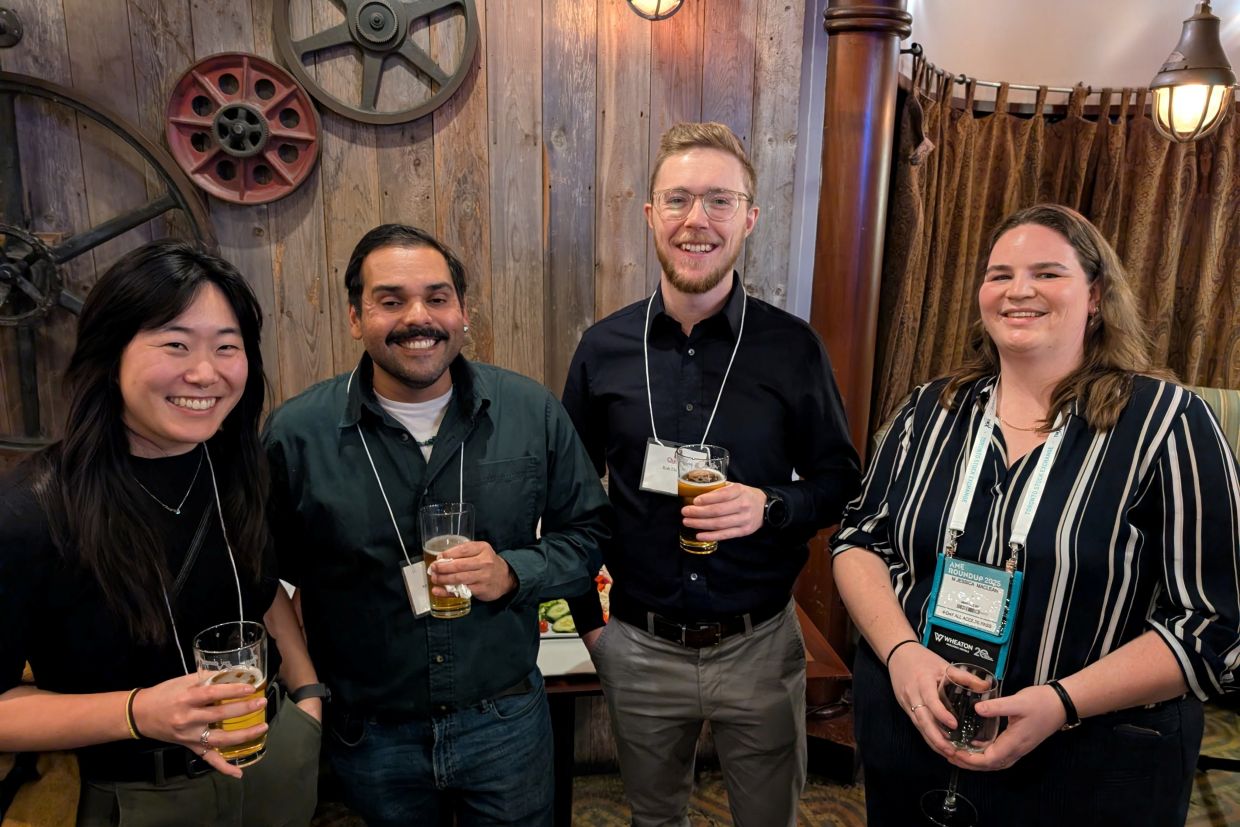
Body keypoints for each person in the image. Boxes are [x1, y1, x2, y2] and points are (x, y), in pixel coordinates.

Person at [831, 203, 1240, 825]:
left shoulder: (1167, 423)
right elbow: (860, 539)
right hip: (916, 734)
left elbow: (1211, 623)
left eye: (1047, 273)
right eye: (1000, 274)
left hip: (1087, 762)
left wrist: (1062, 703)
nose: (1018, 290)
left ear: (1096, 295)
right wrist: (901, 653)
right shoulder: (931, 410)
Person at [562, 122, 861, 827]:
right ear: (650, 215)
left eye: (720, 201)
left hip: (759, 644)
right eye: (679, 199)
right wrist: (589, 626)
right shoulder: (603, 348)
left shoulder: (792, 346)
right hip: (637, 643)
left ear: (750, 217)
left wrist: (773, 505)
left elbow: (840, 478)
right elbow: (567, 496)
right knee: (654, 819)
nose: (698, 220)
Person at [263, 223, 609, 826]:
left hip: (505, 721)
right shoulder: (297, 434)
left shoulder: (529, 411)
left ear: (462, 311)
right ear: (354, 317)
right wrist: (306, 691)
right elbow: (265, 576)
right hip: (370, 731)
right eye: (390, 300)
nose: (418, 317)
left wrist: (512, 572)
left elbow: (588, 536)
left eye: (437, 297)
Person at [0, 240, 322, 826]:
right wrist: (137, 711)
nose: (206, 372)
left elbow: (262, 579)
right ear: (109, 354)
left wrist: (307, 697)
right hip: (135, 796)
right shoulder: (31, 512)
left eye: (228, 347)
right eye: (175, 344)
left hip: (275, 761)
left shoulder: (239, 467)